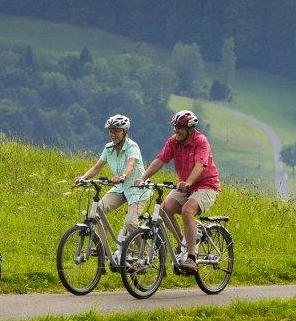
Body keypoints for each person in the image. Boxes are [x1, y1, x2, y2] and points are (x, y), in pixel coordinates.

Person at [139, 108, 220, 273]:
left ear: (190, 129)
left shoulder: (201, 141)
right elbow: (160, 160)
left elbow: (200, 165)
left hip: (206, 185)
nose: (176, 131)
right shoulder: (173, 141)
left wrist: (189, 182)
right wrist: (143, 178)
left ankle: (191, 258)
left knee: (187, 210)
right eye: (175, 127)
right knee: (164, 209)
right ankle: (185, 243)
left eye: (180, 128)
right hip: (185, 185)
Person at [73, 113, 149, 266]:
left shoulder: (132, 146)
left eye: (117, 131)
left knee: (130, 223)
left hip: (137, 189)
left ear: (124, 132)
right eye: (111, 131)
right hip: (121, 188)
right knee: (99, 209)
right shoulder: (108, 148)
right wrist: (84, 177)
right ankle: (102, 246)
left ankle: (144, 254)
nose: (113, 134)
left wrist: (122, 176)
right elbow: (97, 167)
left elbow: (131, 164)